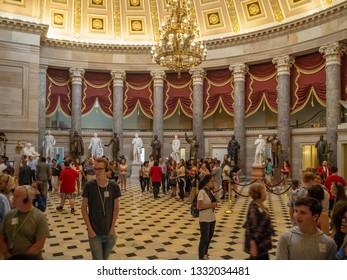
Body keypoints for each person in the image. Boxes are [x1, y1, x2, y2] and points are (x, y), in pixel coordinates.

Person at [81, 157, 121, 260]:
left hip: (109, 232)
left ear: (106, 170)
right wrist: (90, 230)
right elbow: (83, 208)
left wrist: (112, 228)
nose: (97, 172)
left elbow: (116, 208)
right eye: (95, 169)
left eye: (100, 169)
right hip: (95, 233)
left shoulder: (113, 186)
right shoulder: (89, 186)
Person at [0, 185, 50, 259]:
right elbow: (1, 237)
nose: (13, 199)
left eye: (16, 196)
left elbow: (39, 245)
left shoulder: (39, 217)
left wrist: (21, 259)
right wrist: (7, 255)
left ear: (26, 200)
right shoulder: (9, 215)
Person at [244, 183, 274, 260]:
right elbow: (251, 227)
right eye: (263, 191)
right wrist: (253, 244)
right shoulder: (253, 208)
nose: (266, 193)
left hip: (263, 243)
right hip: (258, 245)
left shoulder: (260, 205)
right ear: (257, 194)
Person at [197, 174, 217, 260]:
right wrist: (211, 205)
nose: (213, 183)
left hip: (212, 217)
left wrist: (214, 205)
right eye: (211, 181)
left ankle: (205, 252)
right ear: (206, 182)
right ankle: (201, 255)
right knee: (204, 237)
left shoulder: (210, 191)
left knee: (209, 236)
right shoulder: (202, 192)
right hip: (204, 218)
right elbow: (199, 206)